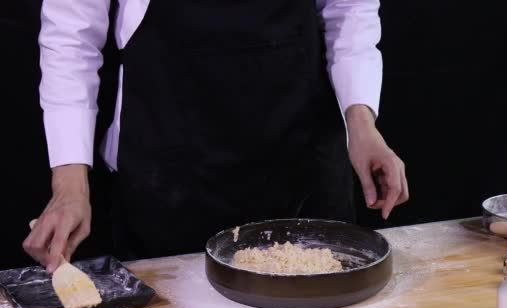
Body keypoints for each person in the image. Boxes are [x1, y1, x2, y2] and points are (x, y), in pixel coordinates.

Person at [23, 0, 409, 273]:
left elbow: (349, 9)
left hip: (301, 160)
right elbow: (71, 38)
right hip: (169, 167)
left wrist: (362, 124)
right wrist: (70, 185)